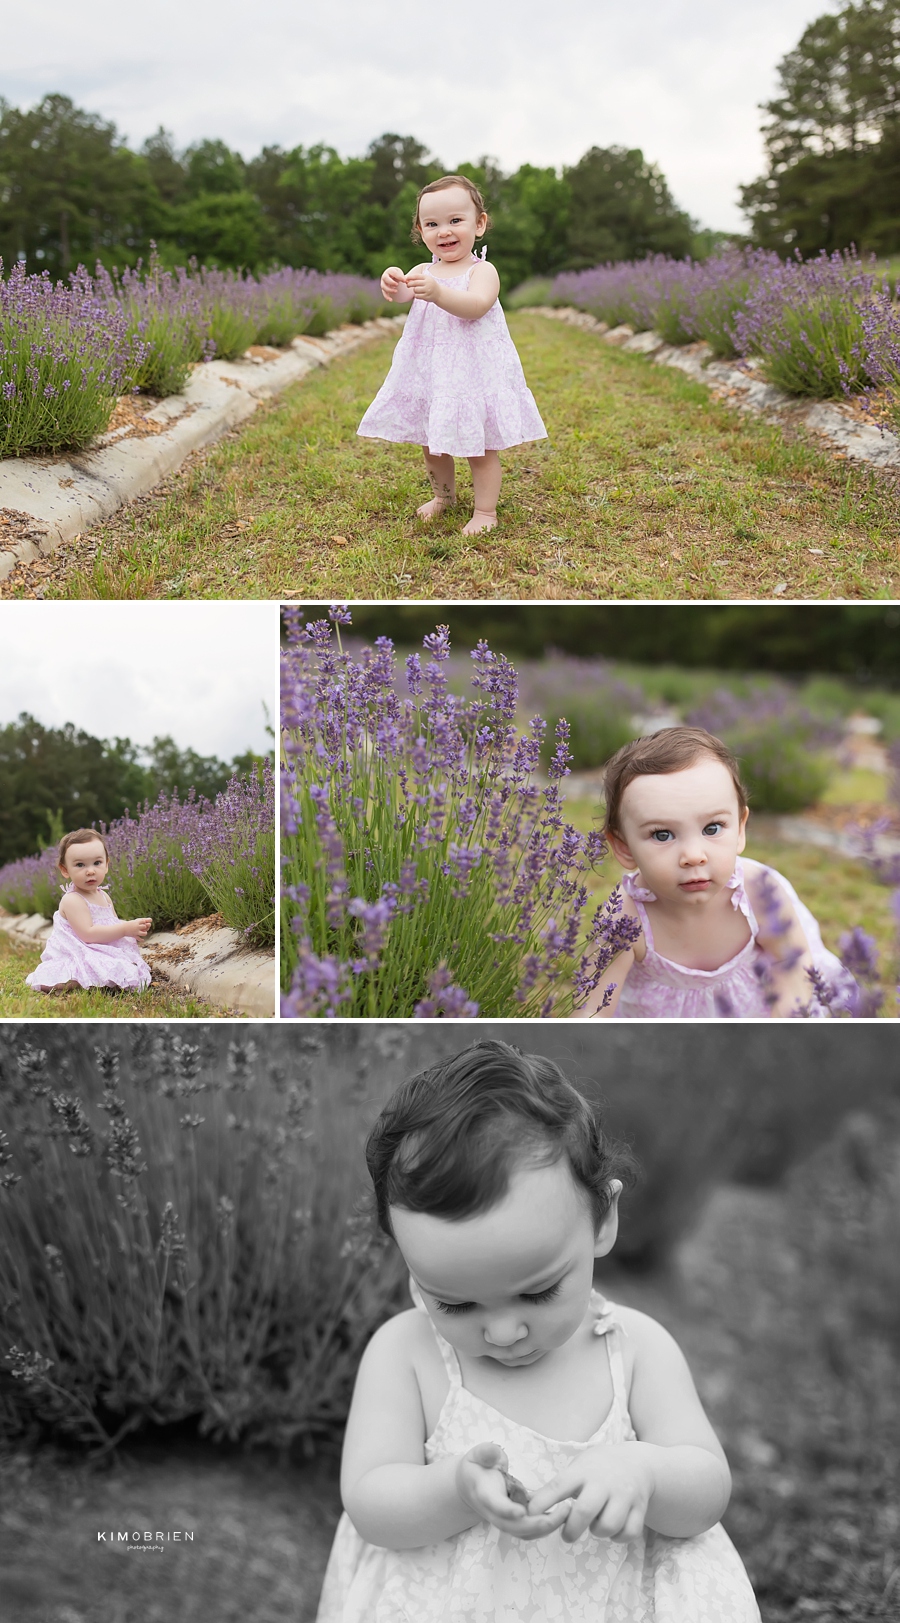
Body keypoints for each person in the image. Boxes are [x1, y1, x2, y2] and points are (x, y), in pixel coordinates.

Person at [316, 1040, 761, 1623]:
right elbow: (371, 1502)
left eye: (538, 1292)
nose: (502, 1332)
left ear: (603, 1219)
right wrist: (453, 1490)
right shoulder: (406, 1355)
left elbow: (706, 1490)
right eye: (453, 1302)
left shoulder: (633, 1349)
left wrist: (644, 1471)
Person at [585, 727, 857, 1019]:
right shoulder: (623, 920)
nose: (693, 856)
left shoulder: (760, 892)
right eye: (662, 835)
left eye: (712, 828)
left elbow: (793, 966)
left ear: (740, 829)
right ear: (624, 847)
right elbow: (591, 1013)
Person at [358, 175, 547, 535]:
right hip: (433, 373)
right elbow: (402, 296)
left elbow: (475, 306)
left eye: (455, 221)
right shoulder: (423, 271)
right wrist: (393, 282)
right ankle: (444, 497)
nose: (444, 231)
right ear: (420, 230)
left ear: (480, 223)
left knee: (479, 448)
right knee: (433, 444)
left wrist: (438, 292)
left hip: (473, 374)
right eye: (432, 224)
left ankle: (486, 512)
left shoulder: (483, 271)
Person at [25, 828, 152, 994]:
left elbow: (112, 922)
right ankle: (67, 981)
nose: (90, 871)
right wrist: (125, 929)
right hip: (80, 951)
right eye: (80, 865)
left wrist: (130, 931)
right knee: (83, 971)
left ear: (106, 865)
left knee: (127, 967)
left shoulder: (104, 896)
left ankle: (98, 980)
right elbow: (88, 934)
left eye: (97, 863)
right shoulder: (73, 900)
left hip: (102, 947)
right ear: (65, 870)